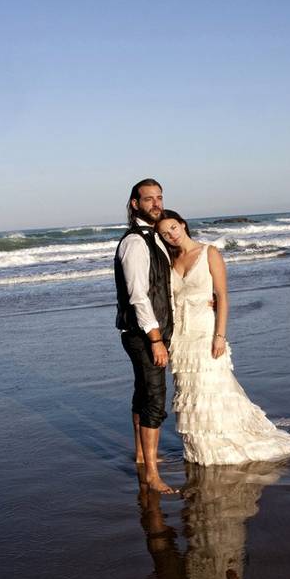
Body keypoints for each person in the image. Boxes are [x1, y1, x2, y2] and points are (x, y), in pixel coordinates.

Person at [155, 210, 290, 465]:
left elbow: (222, 296)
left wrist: (220, 336)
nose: (171, 235)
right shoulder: (169, 261)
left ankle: (222, 444)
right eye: (165, 234)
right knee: (189, 392)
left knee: (212, 387)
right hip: (181, 336)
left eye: (173, 228)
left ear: (182, 224)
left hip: (205, 330)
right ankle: (201, 447)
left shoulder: (208, 252)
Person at [115, 179, 177, 494]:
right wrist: (156, 338)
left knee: (143, 394)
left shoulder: (154, 238)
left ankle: (143, 457)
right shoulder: (135, 243)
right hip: (144, 335)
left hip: (149, 332)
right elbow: (138, 295)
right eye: (148, 199)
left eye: (159, 197)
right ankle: (152, 475)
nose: (155, 203)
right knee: (154, 398)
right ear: (135, 204)